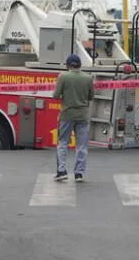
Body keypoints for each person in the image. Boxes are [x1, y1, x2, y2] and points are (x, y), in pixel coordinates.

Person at [51, 54, 94, 182]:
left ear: (67, 65)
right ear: (79, 65)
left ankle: (61, 171)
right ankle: (79, 174)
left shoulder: (63, 76)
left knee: (62, 143)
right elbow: (91, 97)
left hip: (66, 115)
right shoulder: (88, 78)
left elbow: (55, 96)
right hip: (83, 115)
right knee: (81, 146)